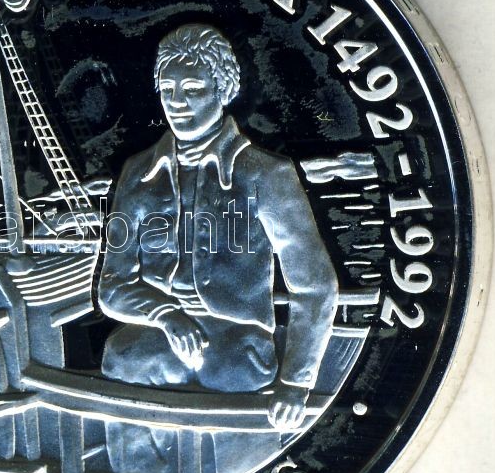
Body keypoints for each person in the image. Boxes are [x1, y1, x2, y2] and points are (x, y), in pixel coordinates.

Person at [98, 23, 338, 431]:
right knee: (121, 359)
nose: (177, 103)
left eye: (193, 89)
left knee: (230, 372)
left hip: (238, 347)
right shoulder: (137, 175)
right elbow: (112, 287)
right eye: (168, 90)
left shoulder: (266, 175)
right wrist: (166, 315)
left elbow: (314, 285)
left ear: (223, 91)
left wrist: (296, 383)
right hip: (158, 337)